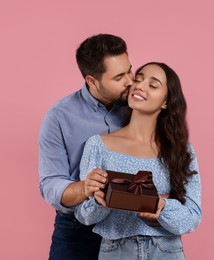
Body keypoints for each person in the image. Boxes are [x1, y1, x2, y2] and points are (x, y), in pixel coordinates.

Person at [75, 62, 202, 259]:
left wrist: (162, 207)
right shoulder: (98, 145)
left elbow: (192, 218)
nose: (140, 86)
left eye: (153, 85)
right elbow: (84, 216)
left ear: (165, 102)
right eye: (139, 79)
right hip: (115, 251)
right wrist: (99, 201)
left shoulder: (181, 151)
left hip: (166, 251)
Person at [38, 34, 134, 259]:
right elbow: (50, 183)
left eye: (129, 70)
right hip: (78, 230)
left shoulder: (137, 105)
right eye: (119, 76)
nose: (130, 80)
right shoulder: (58, 118)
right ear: (92, 81)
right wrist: (85, 187)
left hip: (129, 226)